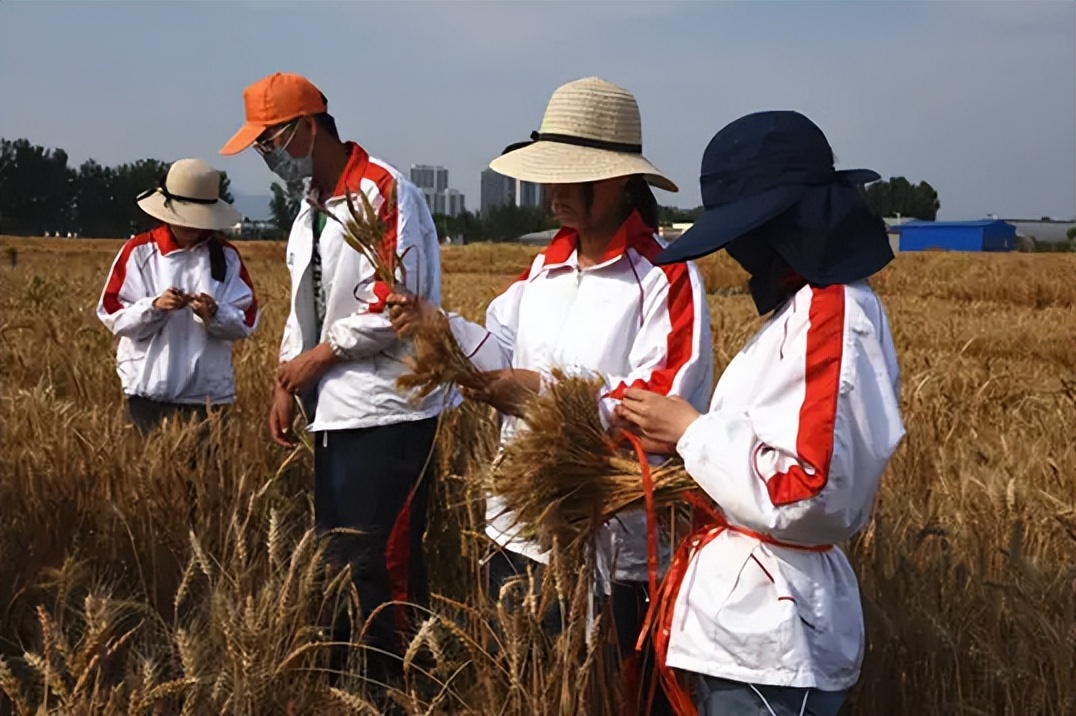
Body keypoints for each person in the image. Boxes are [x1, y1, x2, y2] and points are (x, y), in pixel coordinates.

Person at [387, 76, 713, 715]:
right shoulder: (542, 269)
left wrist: (547, 395)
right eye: (549, 177)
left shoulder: (666, 276)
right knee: (525, 688)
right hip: (521, 528)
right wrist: (439, 327)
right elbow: (502, 351)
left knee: (610, 698)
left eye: (573, 177)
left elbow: (663, 402)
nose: (554, 192)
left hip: (612, 543)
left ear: (621, 182)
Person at [615, 111, 906, 716]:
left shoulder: (832, 313)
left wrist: (690, 432)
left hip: (776, 636)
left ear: (780, 223)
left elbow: (807, 490)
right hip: (752, 630)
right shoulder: (804, 309)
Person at [218, 72, 448, 687]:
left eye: (269, 142)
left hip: (390, 408)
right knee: (341, 557)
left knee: (384, 562)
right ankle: (356, 684)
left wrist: (320, 358)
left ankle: (400, 688)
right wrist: (286, 380)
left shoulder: (381, 191)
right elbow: (307, 306)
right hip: (334, 412)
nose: (266, 157)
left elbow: (396, 304)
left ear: (307, 128)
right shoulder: (308, 211)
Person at [97, 158, 258, 436]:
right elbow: (112, 314)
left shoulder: (226, 257)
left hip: (208, 398)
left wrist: (214, 313)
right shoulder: (138, 252)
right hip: (149, 394)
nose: (193, 226)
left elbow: (247, 320)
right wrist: (154, 307)